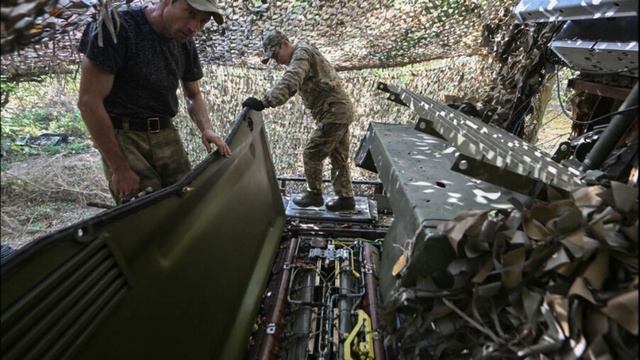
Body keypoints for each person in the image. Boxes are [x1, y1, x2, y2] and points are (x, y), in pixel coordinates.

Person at [77, 0, 232, 204]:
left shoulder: (184, 41)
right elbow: (89, 102)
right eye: (190, 13)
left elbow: (193, 94)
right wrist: (120, 168)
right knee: (146, 214)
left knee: (187, 203)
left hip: (166, 135)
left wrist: (207, 129)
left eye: (202, 22)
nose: (194, 27)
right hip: (125, 138)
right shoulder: (118, 27)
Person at [242, 30, 356, 211]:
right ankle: (346, 198)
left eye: (276, 55)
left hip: (334, 112)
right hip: (337, 111)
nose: (276, 61)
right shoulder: (303, 53)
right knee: (338, 157)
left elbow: (292, 80)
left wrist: (264, 102)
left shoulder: (301, 54)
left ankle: (314, 194)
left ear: (285, 44)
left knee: (312, 154)